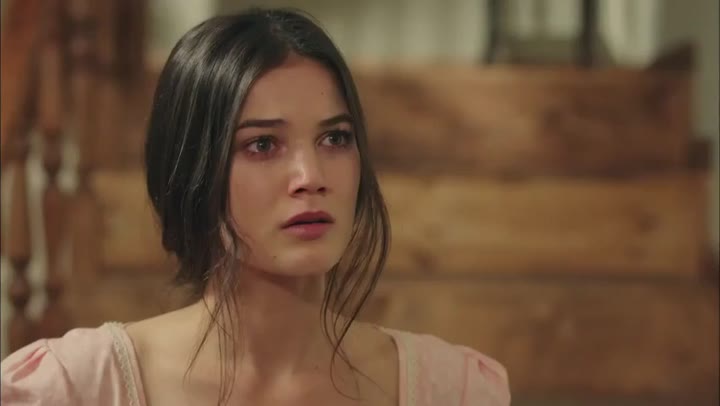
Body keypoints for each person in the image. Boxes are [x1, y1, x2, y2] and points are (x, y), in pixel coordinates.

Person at [1, 8, 510, 406]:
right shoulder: (76, 386)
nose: (311, 177)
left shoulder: (452, 389)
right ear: (194, 171)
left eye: (335, 138)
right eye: (263, 145)